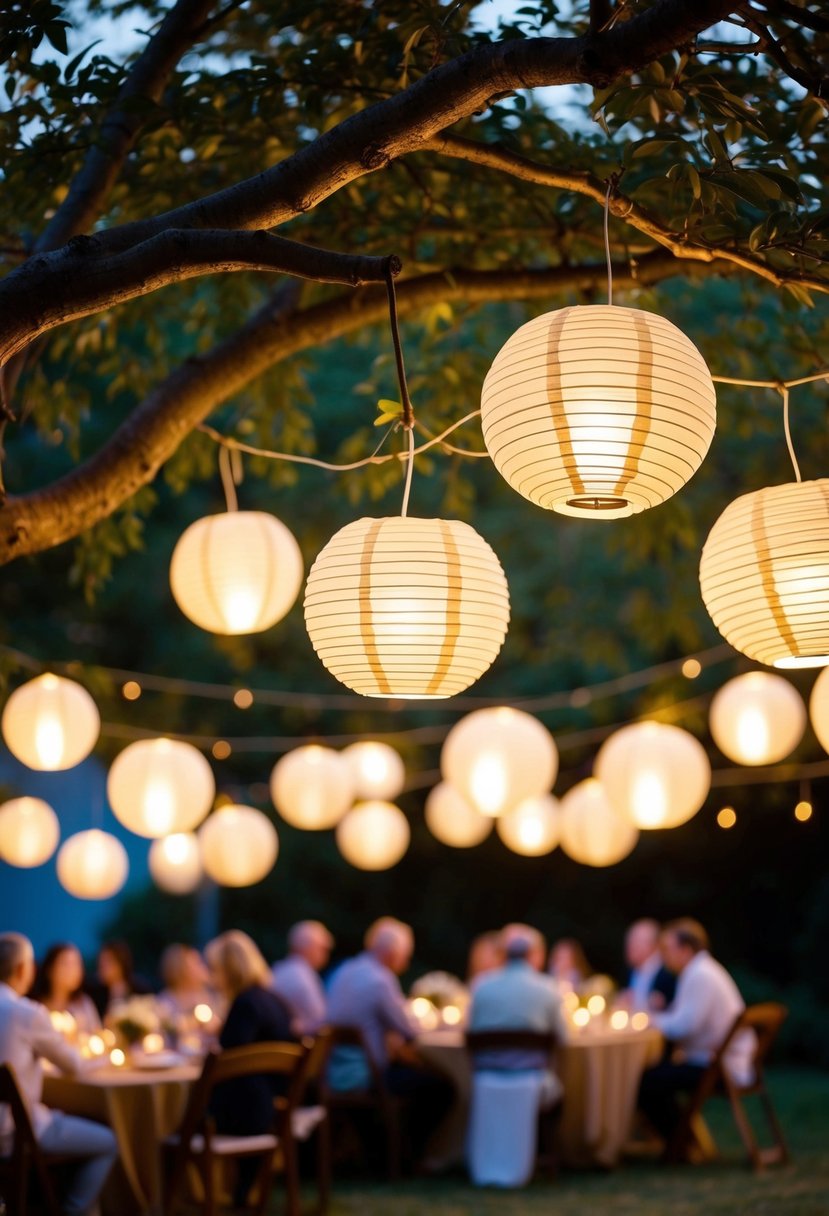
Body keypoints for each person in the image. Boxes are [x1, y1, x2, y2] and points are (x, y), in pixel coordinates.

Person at [0, 932, 117, 1216]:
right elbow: (74, 1065)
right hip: (13, 1133)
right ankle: (73, 1211)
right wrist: (106, 1058)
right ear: (22, 969)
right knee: (110, 1141)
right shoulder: (27, 1013)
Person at [326, 917, 453, 1162]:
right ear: (392, 953)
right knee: (442, 1088)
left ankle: (387, 1153)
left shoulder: (345, 970)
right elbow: (409, 1030)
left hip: (333, 1072)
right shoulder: (380, 979)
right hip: (366, 1074)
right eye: (404, 956)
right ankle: (410, 1157)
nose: (404, 964)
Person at [638, 918, 755, 1143]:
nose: (664, 956)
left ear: (686, 949)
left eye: (668, 949)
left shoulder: (700, 975)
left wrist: (652, 1021)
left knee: (647, 1082)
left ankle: (680, 1144)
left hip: (720, 1067)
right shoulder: (701, 971)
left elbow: (685, 1026)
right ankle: (684, 1142)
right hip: (721, 1060)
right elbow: (686, 1018)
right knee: (654, 1077)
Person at [205, 930, 295, 1207]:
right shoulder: (274, 1000)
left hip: (244, 1114)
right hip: (271, 1105)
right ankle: (240, 1191)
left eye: (215, 969)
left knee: (174, 1116)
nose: (211, 977)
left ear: (229, 970)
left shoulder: (244, 1004)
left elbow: (227, 1061)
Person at [468, 924, 568, 1099]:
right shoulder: (549, 989)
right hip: (534, 1084)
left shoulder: (481, 987)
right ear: (533, 954)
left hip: (485, 1082)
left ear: (502, 955)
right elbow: (564, 1039)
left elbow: (470, 1032)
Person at [271, 920, 333, 1035]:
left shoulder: (278, 969)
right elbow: (321, 1020)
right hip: (293, 1046)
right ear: (309, 947)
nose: (326, 955)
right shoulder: (304, 976)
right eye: (322, 949)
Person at [31, 942, 102, 1036]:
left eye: (77, 964)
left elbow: (97, 1036)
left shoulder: (84, 1005)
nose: (74, 971)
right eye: (66, 964)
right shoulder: (36, 1008)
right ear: (49, 969)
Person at [619, 919, 677, 1012]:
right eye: (629, 941)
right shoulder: (632, 970)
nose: (629, 946)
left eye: (636, 942)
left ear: (653, 945)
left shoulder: (669, 970)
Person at [157, 943, 219, 1019]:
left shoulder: (214, 996)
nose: (203, 967)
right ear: (180, 970)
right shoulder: (165, 1003)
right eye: (197, 963)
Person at [93, 940, 151, 1017]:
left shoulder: (139, 989)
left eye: (107, 962)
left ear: (120, 964)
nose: (101, 967)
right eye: (100, 962)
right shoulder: (95, 993)